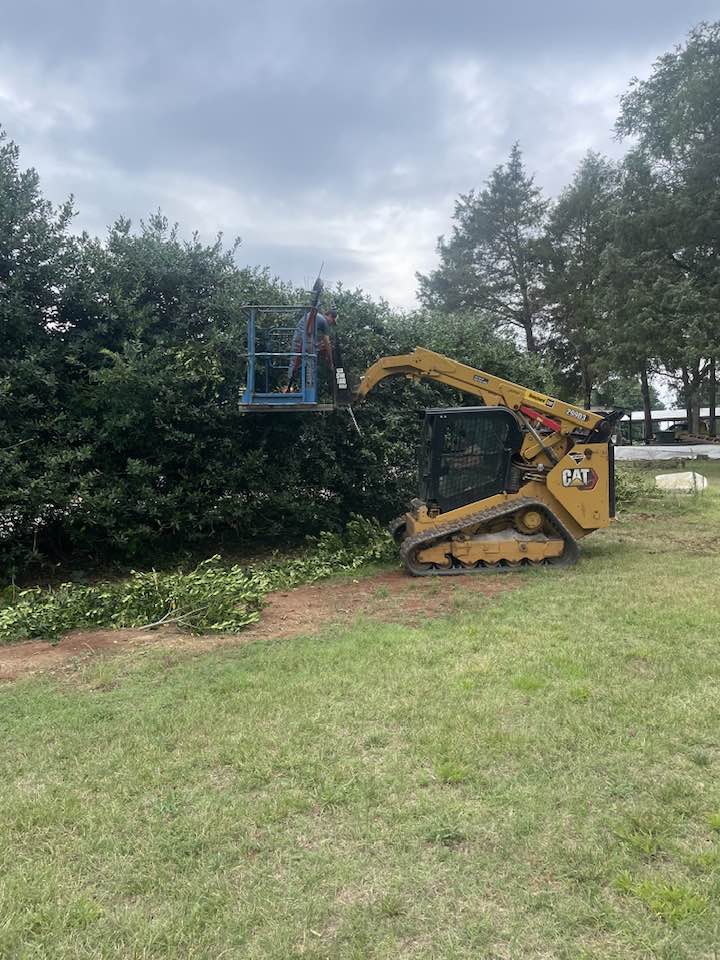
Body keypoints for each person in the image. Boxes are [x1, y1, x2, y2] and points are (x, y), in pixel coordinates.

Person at [285, 307, 337, 391]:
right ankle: (309, 389)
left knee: (294, 361)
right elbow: (327, 343)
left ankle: (288, 386)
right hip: (306, 338)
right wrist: (331, 362)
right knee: (310, 361)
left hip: (298, 337)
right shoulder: (324, 321)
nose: (331, 323)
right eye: (332, 321)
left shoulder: (316, 316)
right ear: (330, 316)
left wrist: (319, 346)